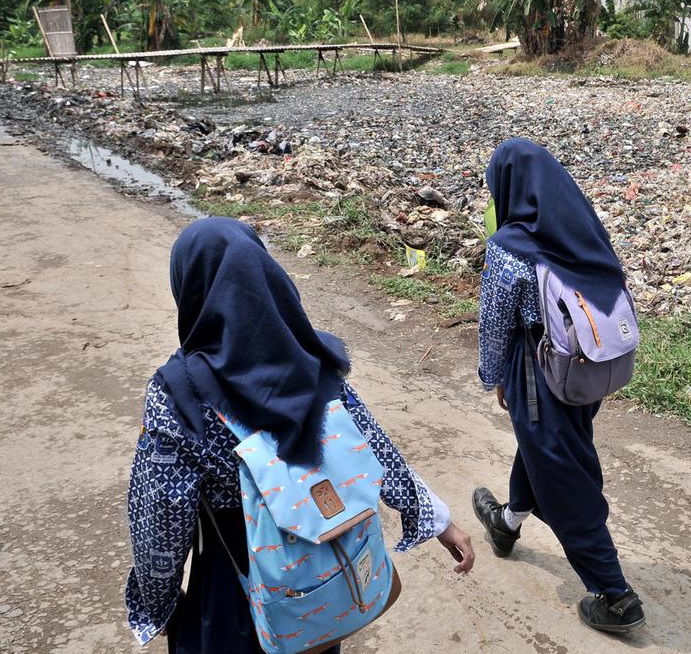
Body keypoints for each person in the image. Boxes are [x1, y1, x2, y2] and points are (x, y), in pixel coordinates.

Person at [124, 217, 474, 653]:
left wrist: (156, 601)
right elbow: (375, 444)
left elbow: (160, 514)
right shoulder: (313, 359)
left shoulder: (180, 393)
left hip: (238, 578)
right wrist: (439, 521)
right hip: (321, 575)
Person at [471, 138, 645, 634]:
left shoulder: (510, 245)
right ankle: (507, 523)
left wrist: (494, 376)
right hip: (587, 368)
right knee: (550, 447)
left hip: (538, 370)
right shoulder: (582, 230)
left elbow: (495, 322)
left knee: (564, 471)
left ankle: (614, 594)